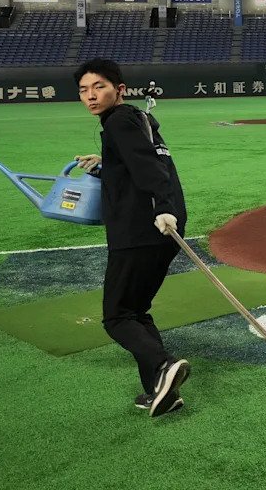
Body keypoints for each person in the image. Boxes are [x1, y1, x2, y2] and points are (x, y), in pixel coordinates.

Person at [72, 59, 190, 418]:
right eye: (83, 90)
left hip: (142, 229)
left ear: (119, 90)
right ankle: (159, 390)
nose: (91, 96)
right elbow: (141, 161)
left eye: (99, 87)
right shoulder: (134, 119)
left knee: (117, 317)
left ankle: (163, 364)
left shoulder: (120, 120)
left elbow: (150, 168)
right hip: (159, 228)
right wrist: (106, 162)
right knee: (136, 311)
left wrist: (163, 208)